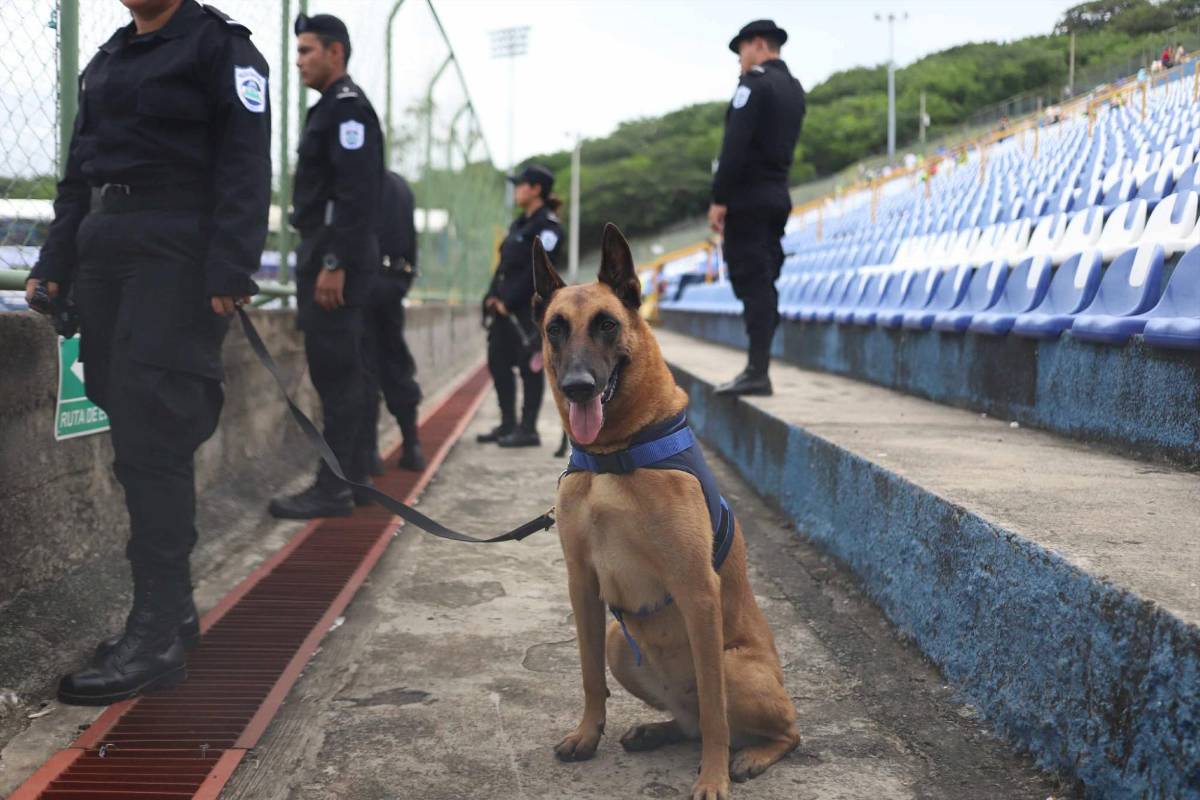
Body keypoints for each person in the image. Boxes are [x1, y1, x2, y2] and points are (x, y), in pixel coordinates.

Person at [26, 0, 270, 705]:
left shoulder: (222, 48)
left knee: (155, 432)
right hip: (106, 250)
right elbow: (78, 175)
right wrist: (53, 262)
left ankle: (156, 633)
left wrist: (231, 263)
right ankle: (174, 613)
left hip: (176, 256)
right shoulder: (108, 57)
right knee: (132, 428)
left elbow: (246, 160)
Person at [269, 12, 383, 518]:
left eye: (306, 50)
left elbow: (353, 194)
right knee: (346, 373)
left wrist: (333, 261)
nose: (299, 62)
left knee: (336, 375)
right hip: (329, 250)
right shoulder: (333, 110)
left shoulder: (346, 110)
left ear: (335, 52)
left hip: (333, 256)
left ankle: (333, 487)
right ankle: (353, 480)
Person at [707, 19, 806, 396]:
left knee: (752, 281)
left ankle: (757, 370)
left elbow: (735, 145)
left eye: (742, 51)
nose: (739, 62)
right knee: (763, 279)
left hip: (747, 199)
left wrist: (719, 198)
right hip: (777, 195)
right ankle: (757, 365)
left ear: (759, 44)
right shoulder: (794, 89)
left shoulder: (754, 83)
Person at [477, 164, 564, 447]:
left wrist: (510, 301)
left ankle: (528, 429)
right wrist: (491, 296)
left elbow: (539, 272)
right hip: (502, 311)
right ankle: (507, 424)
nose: (516, 190)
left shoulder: (548, 227)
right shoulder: (518, 225)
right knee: (498, 363)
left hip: (528, 312)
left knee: (530, 368)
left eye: (521, 185)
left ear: (536, 189)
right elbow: (503, 268)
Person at [358, 170, 425, 476]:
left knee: (365, 368)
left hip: (364, 283)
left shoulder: (360, 178)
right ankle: (412, 445)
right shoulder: (400, 185)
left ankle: (369, 454)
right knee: (395, 362)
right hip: (394, 281)